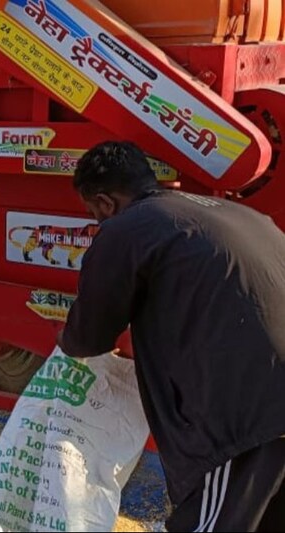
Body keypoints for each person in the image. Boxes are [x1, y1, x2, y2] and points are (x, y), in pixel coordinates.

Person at [58, 141, 285, 532]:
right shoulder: (240, 215)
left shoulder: (125, 229)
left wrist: (62, 335)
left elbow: (87, 337)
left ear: (106, 202)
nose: (98, 222)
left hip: (247, 422)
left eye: (94, 213)